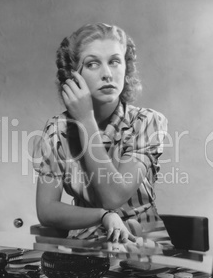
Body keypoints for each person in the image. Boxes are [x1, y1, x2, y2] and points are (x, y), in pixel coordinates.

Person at [33, 22, 168, 245]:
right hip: (87, 240)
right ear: (73, 75)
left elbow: (113, 197)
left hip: (145, 243)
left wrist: (86, 120)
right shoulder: (57, 129)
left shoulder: (147, 121)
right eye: (93, 64)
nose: (107, 74)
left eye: (115, 61)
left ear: (127, 68)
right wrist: (103, 216)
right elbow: (46, 210)